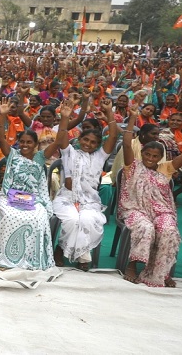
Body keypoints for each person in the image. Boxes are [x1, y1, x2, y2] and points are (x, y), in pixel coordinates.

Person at [118, 105, 182, 287]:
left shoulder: (166, 168)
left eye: (155, 155)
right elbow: (127, 143)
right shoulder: (133, 166)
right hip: (135, 209)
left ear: (161, 157)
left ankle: (161, 272)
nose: (151, 158)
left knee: (168, 230)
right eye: (148, 154)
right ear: (142, 153)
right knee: (146, 227)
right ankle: (132, 264)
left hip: (161, 211)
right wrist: (133, 117)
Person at [0, 98, 66, 269]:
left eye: (29, 142)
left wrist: (65, 118)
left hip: (33, 198)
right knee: (9, 215)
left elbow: (59, 141)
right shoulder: (13, 155)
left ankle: (30, 257)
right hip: (9, 196)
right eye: (22, 142)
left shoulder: (40, 158)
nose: (25, 145)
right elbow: (1, 138)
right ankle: (5, 254)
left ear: (35, 144)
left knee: (38, 217)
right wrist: (2, 116)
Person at [53, 98, 120, 270]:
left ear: (98, 146)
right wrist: (65, 118)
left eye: (93, 143)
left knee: (88, 219)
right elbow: (61, 138)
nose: (88, 144)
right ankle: (62, 250)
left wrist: (109, 113)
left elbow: (113, 135)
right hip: (66, 198)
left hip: (89, 201)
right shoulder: (69, 153)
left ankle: (79, 254)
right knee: (72, 219)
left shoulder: (99, 157)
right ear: (80, 139)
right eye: (85, 140)